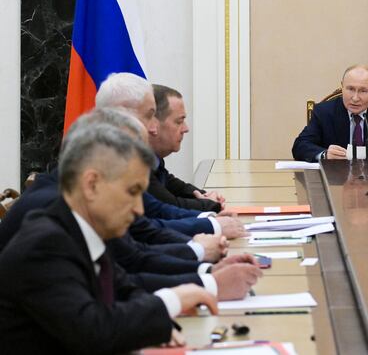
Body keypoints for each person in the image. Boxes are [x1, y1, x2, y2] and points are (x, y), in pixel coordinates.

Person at [0, 122, 218, 353]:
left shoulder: (85, 227)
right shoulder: (45, 243)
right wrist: (170, 301)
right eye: (132, 192)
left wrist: (157, 323)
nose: (139, 210)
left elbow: (124, 289)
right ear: (91, 184)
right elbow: (93, 331)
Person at [95, 73, 246, 239]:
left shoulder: (127, 158)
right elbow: (148, 225)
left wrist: (208, 213)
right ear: (121, 115)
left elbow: (156, 209)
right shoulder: (110, 164)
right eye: (149, 116)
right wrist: (211, 223)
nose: (153, 127)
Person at [149, 84, 224, 212]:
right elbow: (169, 206)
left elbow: (174, 186)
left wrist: (205, 195)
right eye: (179, 122)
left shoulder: (155, 159)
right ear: (153, 123)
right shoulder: (134, 162)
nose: (186, 129)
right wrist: (209, 204)